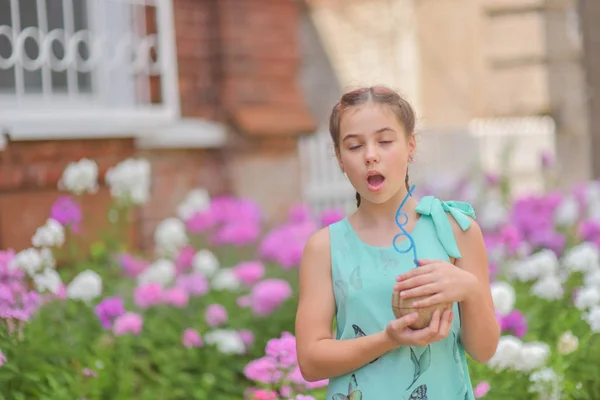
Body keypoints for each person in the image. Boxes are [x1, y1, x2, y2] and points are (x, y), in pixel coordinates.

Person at [295, 86, 500, 399]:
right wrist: (389, 338)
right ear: (339, 158)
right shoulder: (324, 248)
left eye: (385, 141)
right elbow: (310, 361)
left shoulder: (456, 230)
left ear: (411, 145)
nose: (370, 155)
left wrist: (469, 288)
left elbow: (484, 351)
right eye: (353, 146)